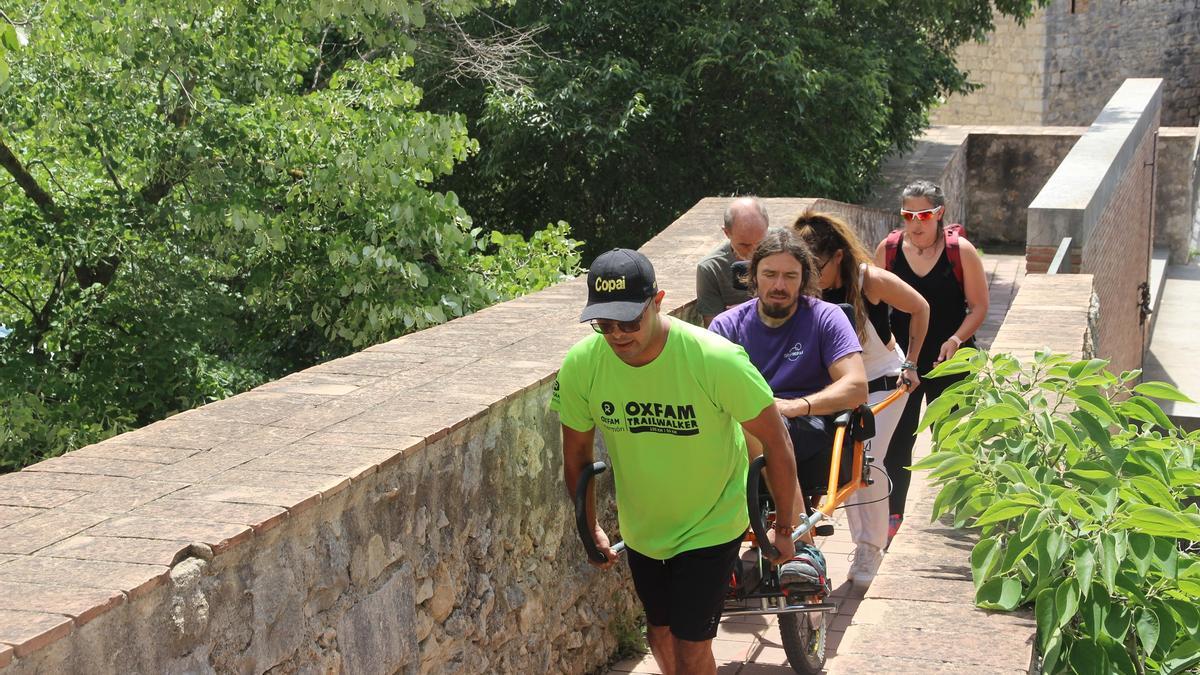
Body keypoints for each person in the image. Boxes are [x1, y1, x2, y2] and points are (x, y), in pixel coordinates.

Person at [552, 248, 810, 675]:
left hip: (711, 519)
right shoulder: (583, 365)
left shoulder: (715, 359)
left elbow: (776, 442)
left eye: (630, 321)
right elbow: (576, 456)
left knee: (692, 646)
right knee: (660, 633)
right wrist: (589, 525)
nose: (618, 335)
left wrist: (784, 529)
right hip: (645, 526)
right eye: (604, 324)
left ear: (658, 302)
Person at [708, 228, 867, 588]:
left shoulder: (826, 317)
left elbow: (856, 386)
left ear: (804, 279)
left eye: (790, 276)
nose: (779, 285)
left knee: (760, 428)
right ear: (752, 276)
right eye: (770, 274)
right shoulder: (726, 326)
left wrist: (797, 406)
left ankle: (801, 547)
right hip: (738, 432)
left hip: (806, 426)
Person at [793, 212, 929, 585]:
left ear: (837, 256)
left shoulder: (869, 280)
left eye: (815, 267)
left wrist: (913, 362)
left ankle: (869, 550)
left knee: (866, 458)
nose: (809, 277)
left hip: (884, 380)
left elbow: (920, 308)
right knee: (830, 459)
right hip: (839, 385)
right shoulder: (805, 288)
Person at [874, 180, 989, 543]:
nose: (915, 223)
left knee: (952, 438)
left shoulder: (961, 251)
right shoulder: (889, 251)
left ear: (939, 214)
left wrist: (956, 339)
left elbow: (979, 306)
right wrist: (891, 350)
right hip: (905, 361)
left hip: (951, 358)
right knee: (897, 440)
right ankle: (894, 515)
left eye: (923, 215)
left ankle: (959, 509)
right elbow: (874, 307)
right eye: (908, 215)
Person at [695, 196, 770, 327]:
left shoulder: (785, 250)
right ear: (726, 233)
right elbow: (713, 331)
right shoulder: (711, 268)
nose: (753, 253)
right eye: (744, 245)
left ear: (767, 229)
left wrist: (747, 311)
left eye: (759, 243)